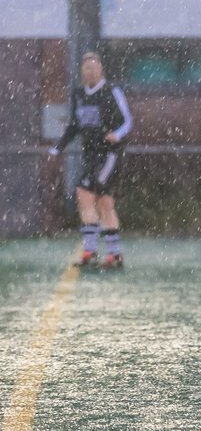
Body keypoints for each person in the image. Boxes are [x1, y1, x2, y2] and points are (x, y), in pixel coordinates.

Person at [48, 51, 133, 269]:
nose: (90, 70)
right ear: (82, 71)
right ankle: (113, 256)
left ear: (101, 68)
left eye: (94, 66)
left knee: (85, 193)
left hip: (109, 156)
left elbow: (128, 120)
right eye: (86, 67)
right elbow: (75, 125)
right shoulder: (79, 94)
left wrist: (118, 134)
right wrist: (58, 147)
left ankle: (91, 251)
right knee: (104, 203)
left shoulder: (111, 91)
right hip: (91, 155)